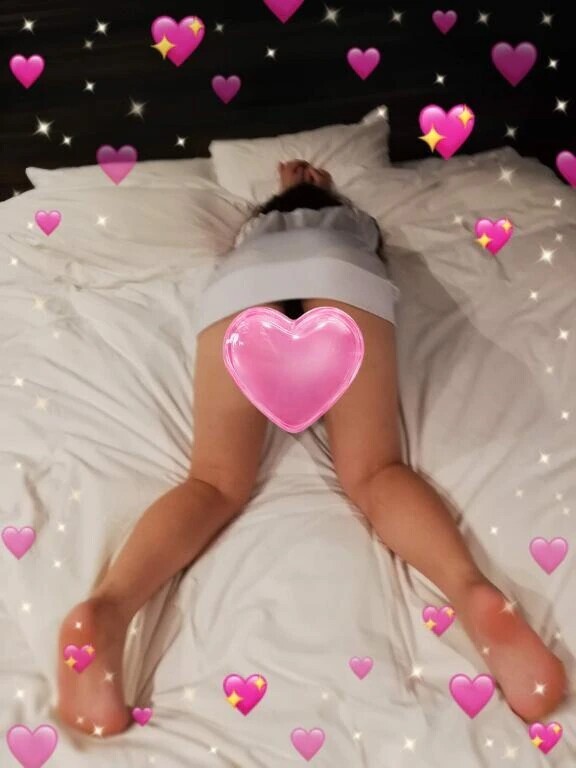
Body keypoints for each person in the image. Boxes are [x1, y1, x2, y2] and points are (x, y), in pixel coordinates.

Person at [57, 160, 567, 736]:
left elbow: (275, 220)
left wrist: (288, 192)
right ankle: (472, 594)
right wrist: (321, 192)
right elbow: (358, 236)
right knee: (374, 471)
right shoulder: (354, 225)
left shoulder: (253, 233)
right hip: (340, 271)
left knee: (214, 482)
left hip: (244, 282)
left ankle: (110, 609)